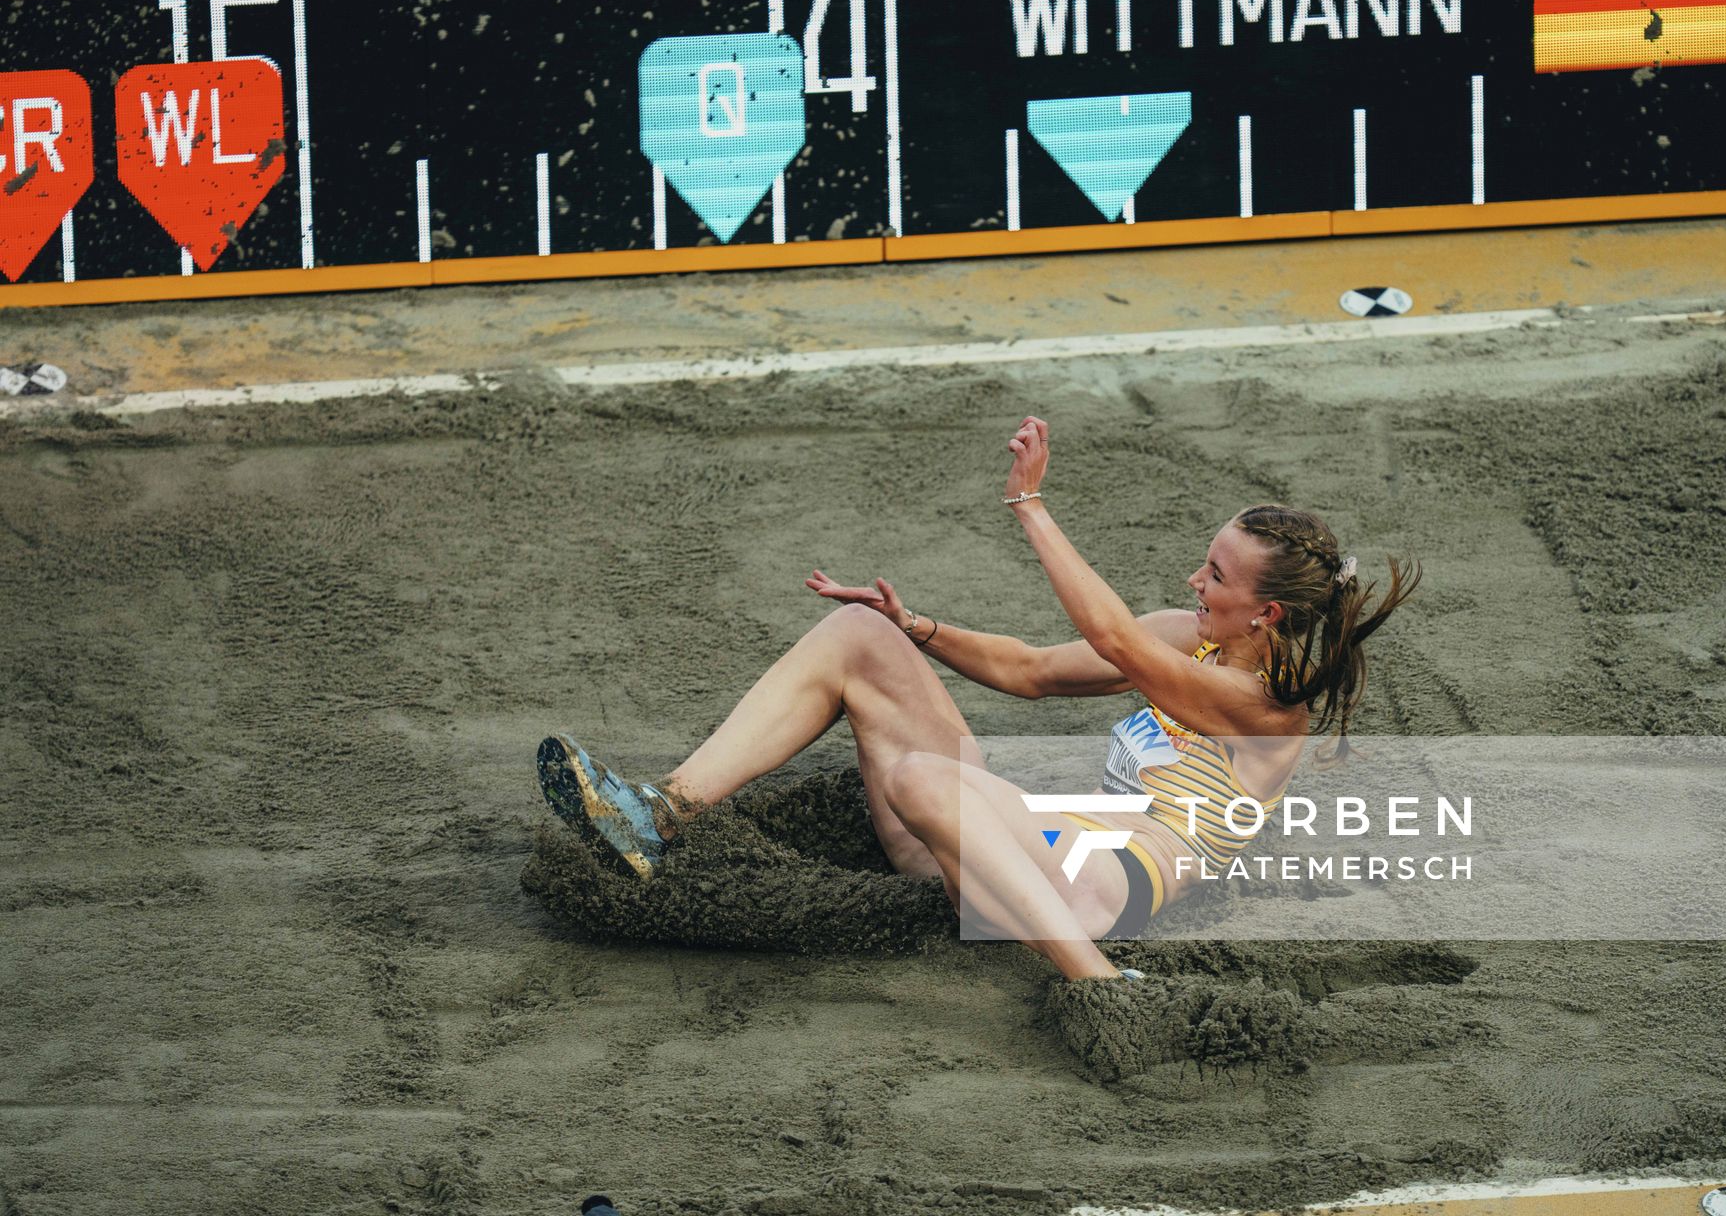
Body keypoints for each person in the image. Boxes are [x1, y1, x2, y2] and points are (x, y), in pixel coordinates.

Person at [537, 416, 1419, 981]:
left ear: (1265, 612)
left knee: (926, 781)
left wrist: (1031, 506)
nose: (1194, 579)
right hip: (1019, 857)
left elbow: (1113, 639)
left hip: (1096, 893)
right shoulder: (1189, 636)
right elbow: (1032, 670)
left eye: (1214, 574)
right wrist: (915, 626)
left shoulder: (1264, 706)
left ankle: (1098, 984)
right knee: (859, 639)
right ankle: (659, 814)